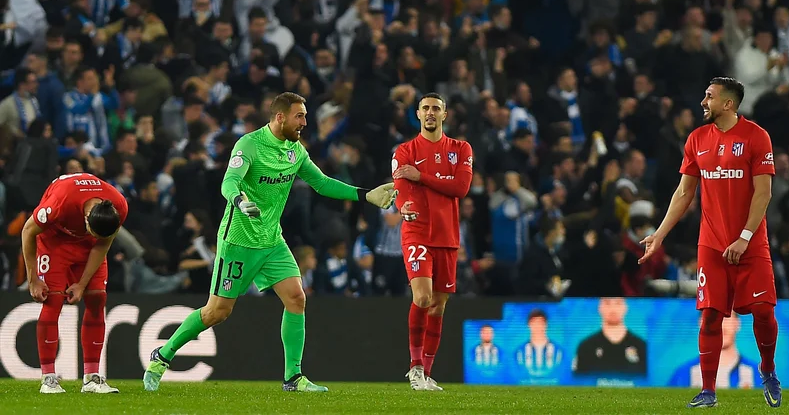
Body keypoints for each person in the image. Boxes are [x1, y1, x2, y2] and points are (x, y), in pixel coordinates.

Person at [143, 92, 397, 392]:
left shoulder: (296, 151)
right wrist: (239, 200)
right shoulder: (249, 144)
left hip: (272, 240)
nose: (304, 122)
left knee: (296, 298)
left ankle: (293, 377)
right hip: (238, 241)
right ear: (280, 117)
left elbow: (321, 183)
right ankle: (162, 355)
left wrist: (364, 194)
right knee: (217, 312)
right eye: (299, 116)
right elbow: (229, 182)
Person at [640, 77, 781, 408]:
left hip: (750, 243)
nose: (703, 102)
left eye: (709, 97)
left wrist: (745, 238)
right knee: (711, 316)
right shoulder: (696, 139)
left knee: (763, 310)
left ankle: (768, 370)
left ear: (728, 104)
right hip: (712, 245)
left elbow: (764, 193)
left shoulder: (756, 137)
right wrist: (660, 235)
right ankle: (708, 391)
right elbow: (684, 192)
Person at [392, 92, 474, 390]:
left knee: (438, 305)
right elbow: (400, 183)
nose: (430, 112)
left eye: (435, 108)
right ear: (417, 114)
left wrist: (422, 176)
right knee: (423, 297)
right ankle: (414, 368)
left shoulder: (461, 148)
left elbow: (461, 188)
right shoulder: (404, 150)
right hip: (417, 231)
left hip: (447, 235)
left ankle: (425, 374)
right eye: (425, 108)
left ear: (444, 114)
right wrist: (403, 206)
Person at [21, 172, 128, 394]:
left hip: (87, 247)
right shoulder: (61, 202)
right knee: (53, 301)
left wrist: (82, 283)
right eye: (93, 231)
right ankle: (48, 379)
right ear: (86, 219)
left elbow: (101, 244)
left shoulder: (119, 206)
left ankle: (92, 378)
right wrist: (33, 279)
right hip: (54, 242)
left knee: (97, 299)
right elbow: (28, 231)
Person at [573, 297, 647, 376]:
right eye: (607, 303)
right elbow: (576, 381)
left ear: (625, 308)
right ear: (599, 308)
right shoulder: (586, 346)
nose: (613, 309)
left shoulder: (642, 346)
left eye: (618, 303)